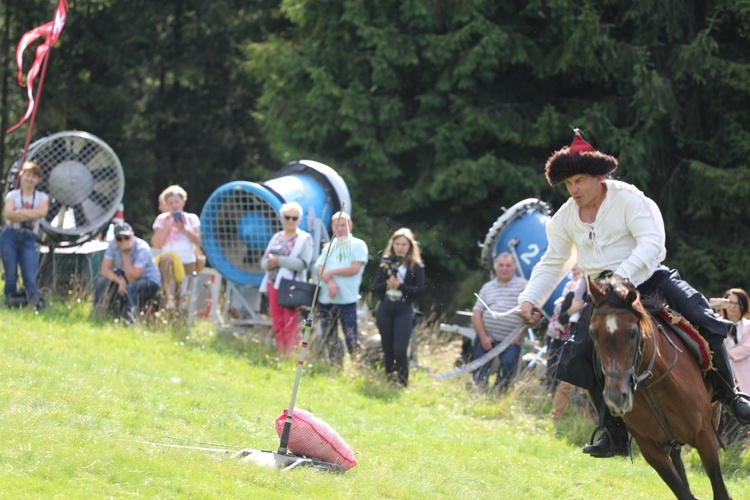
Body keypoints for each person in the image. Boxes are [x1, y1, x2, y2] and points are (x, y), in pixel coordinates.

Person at [517, 130, 750, 458]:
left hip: (650, 280)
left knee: (704, 318)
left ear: (598, 177)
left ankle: (732, 398)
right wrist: (529, 298)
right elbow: (553, 260)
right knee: (581, 354)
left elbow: (652, 242)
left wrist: (622, 276)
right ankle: (612, 433)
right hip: (602, 296)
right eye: (569, 184)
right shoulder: (565, 218)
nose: (574, 190)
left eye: (580, 181)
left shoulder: (628, 198)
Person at [372, 228, 425, 386]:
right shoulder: (385, 264)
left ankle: (402, 383)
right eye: (397, 244)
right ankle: (389, 379)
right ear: (392, 245)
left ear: (409, 246)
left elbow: (420, 290)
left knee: (400, 349)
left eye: (404, 244)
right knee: (387, 347)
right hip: (386, 306)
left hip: (404, 308)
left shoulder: (416, 267)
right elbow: (376, 288)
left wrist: (401, 287)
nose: (400, 247)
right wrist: (387, 286)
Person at [314, 211, 368, 367]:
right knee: (329, 335)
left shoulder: (358, 245)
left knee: (351, 335)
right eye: (336, 225)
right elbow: (319, 268)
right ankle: (335, 366)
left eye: (343, 225)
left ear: (350, 226)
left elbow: (355, 268)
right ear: (332, 226)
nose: (340, 228)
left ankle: (357, 366)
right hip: (327, 298)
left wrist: (332, 272)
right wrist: (330, 281)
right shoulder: (328, 246)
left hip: (347, 299)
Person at [259, 202, 314, 355]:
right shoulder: (277, 236)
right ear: (282, 218)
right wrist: (268, 264)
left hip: (291, 286)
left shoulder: (304, 239)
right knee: (277, 321)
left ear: (299, 219)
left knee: (290, 321)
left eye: (294, 218)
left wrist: (279, 261)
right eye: (287, 217)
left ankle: (291, 354)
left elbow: (303, 264)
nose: (290, 221)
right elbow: (263, 261)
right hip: (273, 283)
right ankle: (280, 352)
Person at [471, 253, 527, 392]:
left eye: (508, 265)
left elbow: (529, 314)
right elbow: (477, 313)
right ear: (496, 268)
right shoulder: (487, 287)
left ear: (514, 268)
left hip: (511, 340)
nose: (504, 268)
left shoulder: (523, 286)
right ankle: (479, 391)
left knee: (508, 365)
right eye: (501, 265)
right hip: (487, 336)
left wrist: (519, 335)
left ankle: (499, 393)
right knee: (479, 365)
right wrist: (483, 337)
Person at [1, 161, 49, 309]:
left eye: (33, 177)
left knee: (29, 273)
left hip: (29, 238)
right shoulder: (13, 195)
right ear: (22, 176)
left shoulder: (42, 197)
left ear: (38, 180)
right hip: (10, 235)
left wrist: (20, 213)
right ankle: (10, 300)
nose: (30, 179)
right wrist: (31, 215)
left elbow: (42, 212)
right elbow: (8, 214)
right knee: (11, 274)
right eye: (27, 175)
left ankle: (33, 301)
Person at [94, 223, 162, 324]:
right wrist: (120, 281)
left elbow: (133, 278)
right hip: (125, 276)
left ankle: (130, 321)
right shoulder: (112, 245)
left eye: (126, 237)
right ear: (115, 239)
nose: (123, 241)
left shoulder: (141, 248)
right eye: (119, 239)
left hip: (149, 281)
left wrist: (126, 253)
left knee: (132, 288)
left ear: (132, 235)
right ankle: (99, 316)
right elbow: (104, 270)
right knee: (102, 282)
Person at [151, 185, 201, 309]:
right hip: (169, 260)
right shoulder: (161, 219)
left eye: (177, 202)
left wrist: (183, 230)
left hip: (187, 260)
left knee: (183, 297)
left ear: (183, 202)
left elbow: (198, 242)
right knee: (166, 260)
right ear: (166, 205)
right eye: (170, 203)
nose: (174, 205)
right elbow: (156, 244)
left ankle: (180, 318)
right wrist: (166, 226)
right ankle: (169, 298)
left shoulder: (192, 219)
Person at [711, 289, 750, 394]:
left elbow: (746, 348)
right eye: (730, 303)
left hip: (744, 378)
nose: (733, 307)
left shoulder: (748, 326)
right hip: (720, 378)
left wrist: (722, 354)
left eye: (737, 303)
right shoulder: (716, 323)